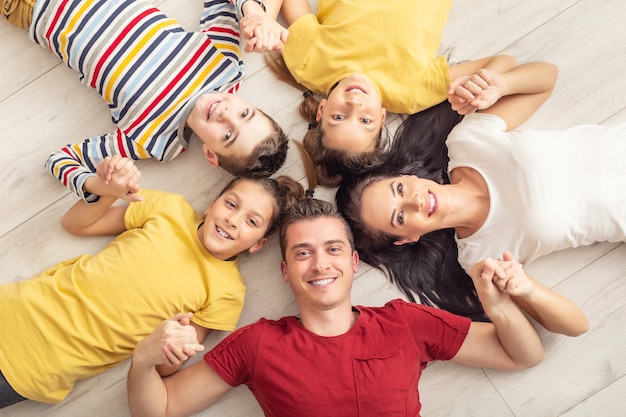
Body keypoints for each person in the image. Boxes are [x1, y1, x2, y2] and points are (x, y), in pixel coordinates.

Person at [127, 198, 546, 417]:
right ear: (285, 270)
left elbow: (523, 354)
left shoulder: (405, 323)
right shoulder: (256, 344)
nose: (320, 264)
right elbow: (159, 408)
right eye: (303, 253)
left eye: (332, 249)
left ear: (352, 261)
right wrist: (144, 361)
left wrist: (498, 305)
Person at [336, 61, 622, 336]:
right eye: (399, 217)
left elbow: (547, 77)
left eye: (399, 190)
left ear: (406, 177)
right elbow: (576, 325)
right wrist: (526, 290)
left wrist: (502, 84)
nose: (415, 202)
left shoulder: (467, 141)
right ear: (409, 238)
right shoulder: (481, 258)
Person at [0, 156, 304, 408]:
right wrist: (108, 191)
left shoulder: (228, 293)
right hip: (15, 307)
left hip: (38, 367)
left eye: (252, 221)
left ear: (258, 244)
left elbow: (163, 367)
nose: (233, 220)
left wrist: (170, 347)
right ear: (212, 204)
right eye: (231, 204)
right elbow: (75, 224)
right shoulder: (169, 209)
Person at [2, 0, 289, 203]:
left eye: (227, 135)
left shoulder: (152, 140)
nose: (227, 115)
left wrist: (100, 185)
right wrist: (255, 13)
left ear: (211, 155)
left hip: (33, 9)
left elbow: (60, 161)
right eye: (245, 114)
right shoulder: (224, 63)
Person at [244, 0, 525, 185]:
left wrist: (264, 17)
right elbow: (506, 64)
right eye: (365, 121)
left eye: (339, 117)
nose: (354, 103)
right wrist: (483, 85)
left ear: (322, 110)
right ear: (381, 118)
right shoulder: (411, 94)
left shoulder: (309, 64)